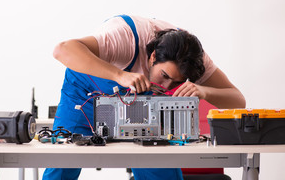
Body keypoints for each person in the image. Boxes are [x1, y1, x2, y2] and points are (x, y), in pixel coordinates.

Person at [43, 15, 246, 180]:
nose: (166, 87)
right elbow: (62, 49)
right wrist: (120, 75)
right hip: (84, 91)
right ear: (152, 57)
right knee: (63, 163)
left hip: (141, 101)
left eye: (177, 83)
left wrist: (205, 91)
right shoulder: (125, 36)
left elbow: (238, 100)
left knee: (158, 168)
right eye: (164, 76)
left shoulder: (194, 60)